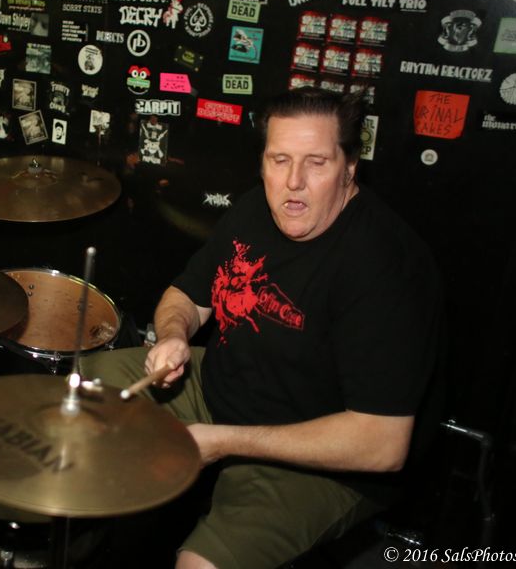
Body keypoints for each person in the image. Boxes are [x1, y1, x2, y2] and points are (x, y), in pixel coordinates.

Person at [81, 87, 444, 569]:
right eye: (279, 160)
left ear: (350, 167)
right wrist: (173, 335)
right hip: (223, 386)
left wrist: (224, 441)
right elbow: (187, 295)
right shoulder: (255, 209)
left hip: (321, 456)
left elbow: (381, 445)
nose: (294, 182)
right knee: (78, 397)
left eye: (316, 162)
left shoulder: (386, 266)